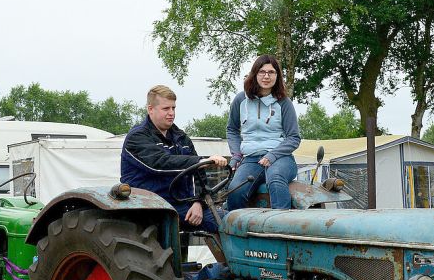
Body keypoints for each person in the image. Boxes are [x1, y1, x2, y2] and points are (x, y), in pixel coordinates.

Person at [121, 85, 228, 232]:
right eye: (166, 109)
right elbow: (159, 163)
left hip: (182, 204)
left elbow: (198, 176)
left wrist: (198, 203)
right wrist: (200, 161)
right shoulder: (137, 137)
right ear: (150, 109)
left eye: (173, 108)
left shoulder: (181, 137)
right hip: (150, 206)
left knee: (231, 222)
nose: (171, 113)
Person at [226, 55, 301, 210]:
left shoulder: (284, 102)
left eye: (271, 72)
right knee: (235, 190)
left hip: (280, 157)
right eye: (262, 71)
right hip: (251, 159)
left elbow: (293, 138)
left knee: (276, 178)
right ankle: (239, 231)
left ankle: (280, 227)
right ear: (255, 74)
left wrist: (272, 155)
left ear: (277, 76)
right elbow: (232, 129)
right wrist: (236, 155)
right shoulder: (241, 100)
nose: (266, 76)